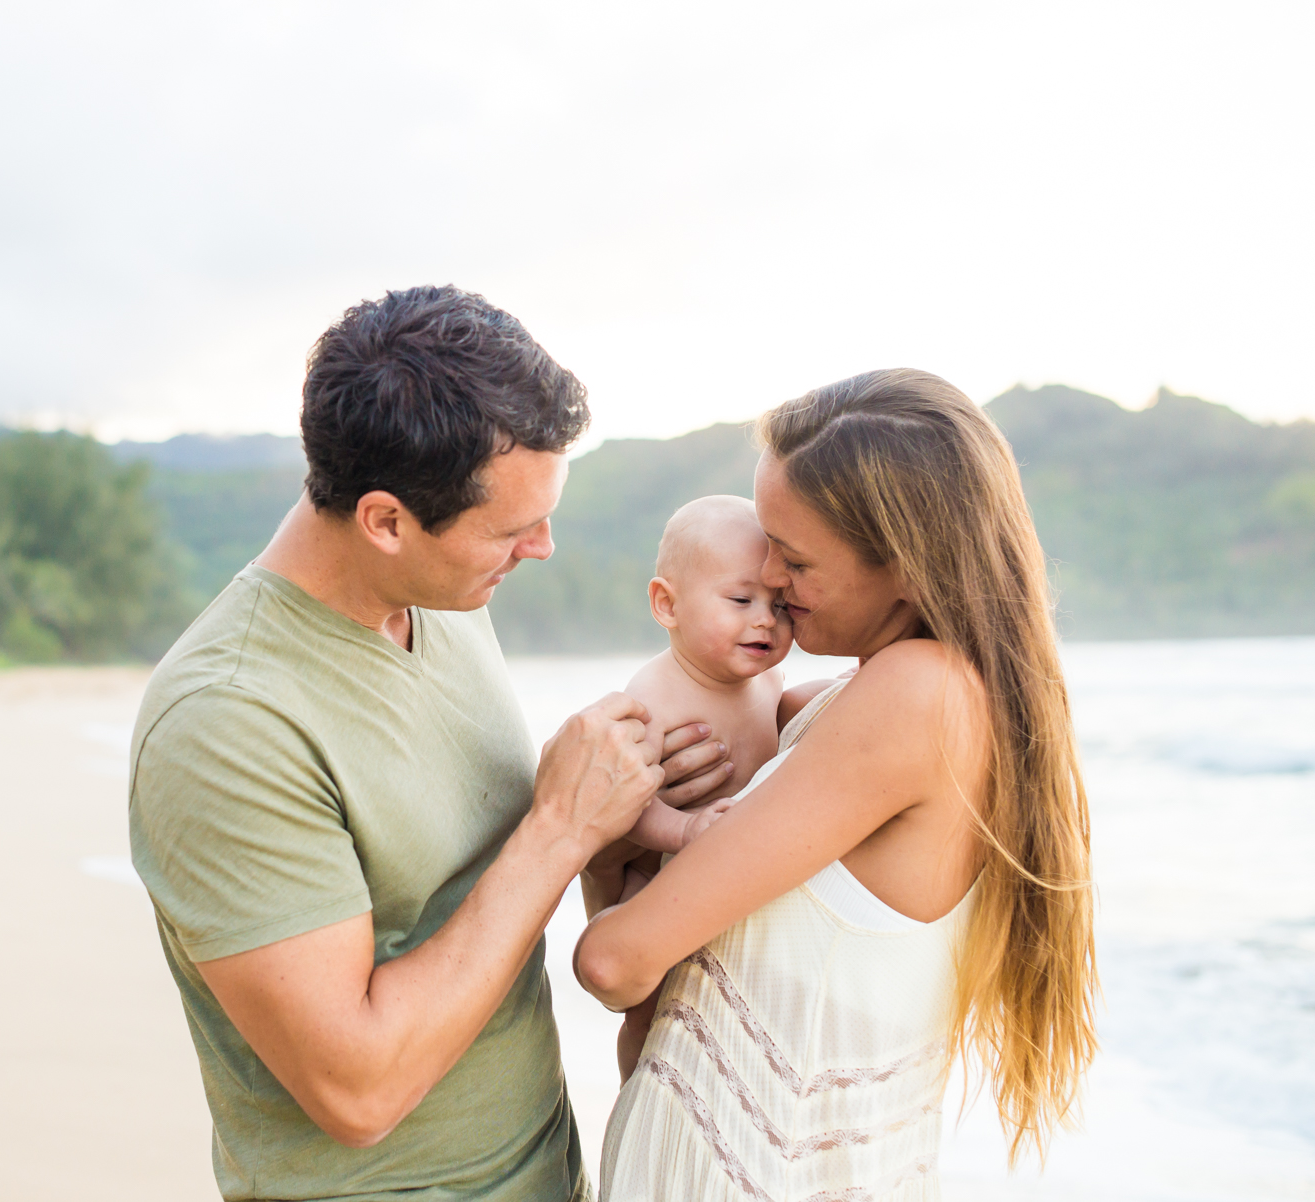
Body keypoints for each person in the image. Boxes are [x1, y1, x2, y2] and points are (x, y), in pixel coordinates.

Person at [127, 285, 733, 1202]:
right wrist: (559, 829)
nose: (543, 548)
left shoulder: (442, 599)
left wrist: (623, 814)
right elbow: (356, 1088)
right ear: (385, 520)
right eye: (511, 528)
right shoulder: (225, 721)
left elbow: (470, 882)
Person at [575, 369, 1097, 1200]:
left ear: (904, 566)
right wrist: (620, 847)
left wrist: (578, 837)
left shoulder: (918, 696)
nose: (770, 576)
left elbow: (613, 960)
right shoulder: (850, 706)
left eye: (796, 556)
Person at [611, 494, 832, 1084]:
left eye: (779, 605)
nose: (765, 620)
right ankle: (646, 1086)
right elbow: (624, 801)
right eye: (741, 600)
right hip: (665, 877)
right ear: (667, 604)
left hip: (739, 879)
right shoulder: (655, 696)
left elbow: (787, 728)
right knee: (650, 1009)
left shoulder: (769, 681)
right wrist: (680, 828)